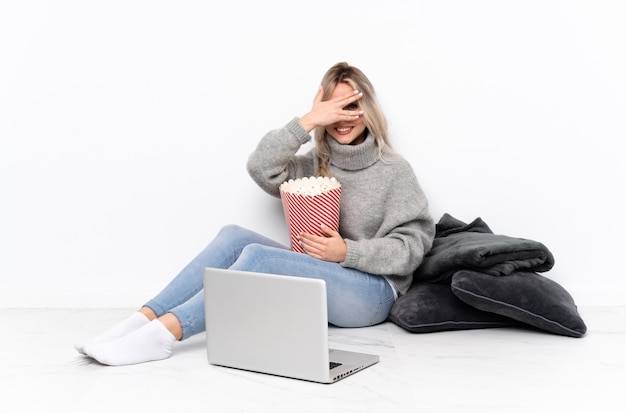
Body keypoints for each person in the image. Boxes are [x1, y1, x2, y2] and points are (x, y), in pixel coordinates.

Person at [74, 62, 435, 366]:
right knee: (233, 237)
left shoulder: (394, 170)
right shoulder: (314, 164)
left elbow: (412, 249)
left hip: (374, 293)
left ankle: (163, 335)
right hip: (328, 276)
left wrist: (348, 253)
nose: (342, 118)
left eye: (350, 107)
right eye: (333, 108)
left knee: (259, 258)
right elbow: (261, 167)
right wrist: (308, 120)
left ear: (367, 110)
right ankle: (139, 321)